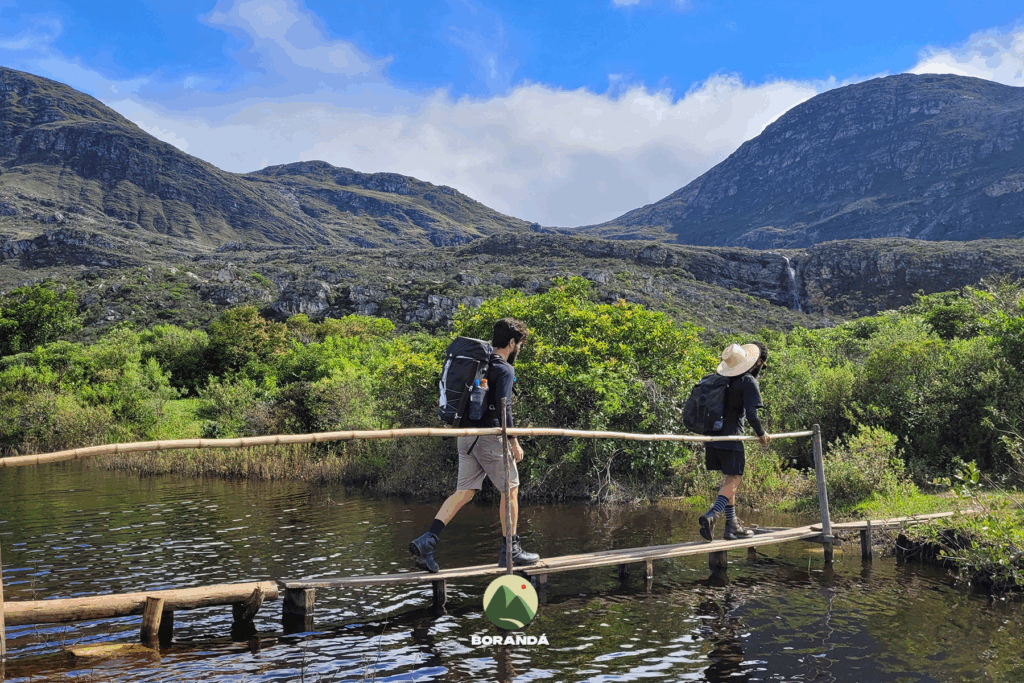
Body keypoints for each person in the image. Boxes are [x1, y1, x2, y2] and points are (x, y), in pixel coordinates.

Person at [409, 318, 540, 572]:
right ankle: (510, 550)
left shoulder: (479, 363)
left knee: (465, 492)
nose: (519, 349)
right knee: (510, 489)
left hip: (466, 435)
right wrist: (513, 441)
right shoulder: (503, 368)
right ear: (512, 343)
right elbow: (505, 408)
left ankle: (428, 540)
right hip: (490, 437)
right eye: (519, 344)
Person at [698, 341, 771, 542]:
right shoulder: (747, 381)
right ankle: (713, 515)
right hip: (731, 437)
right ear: (756, 362)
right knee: (735, 479)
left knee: (728, 481)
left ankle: (732, 526)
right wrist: (762, 434)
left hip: (712, 436)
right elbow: (752, 416)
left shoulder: (718, 379)